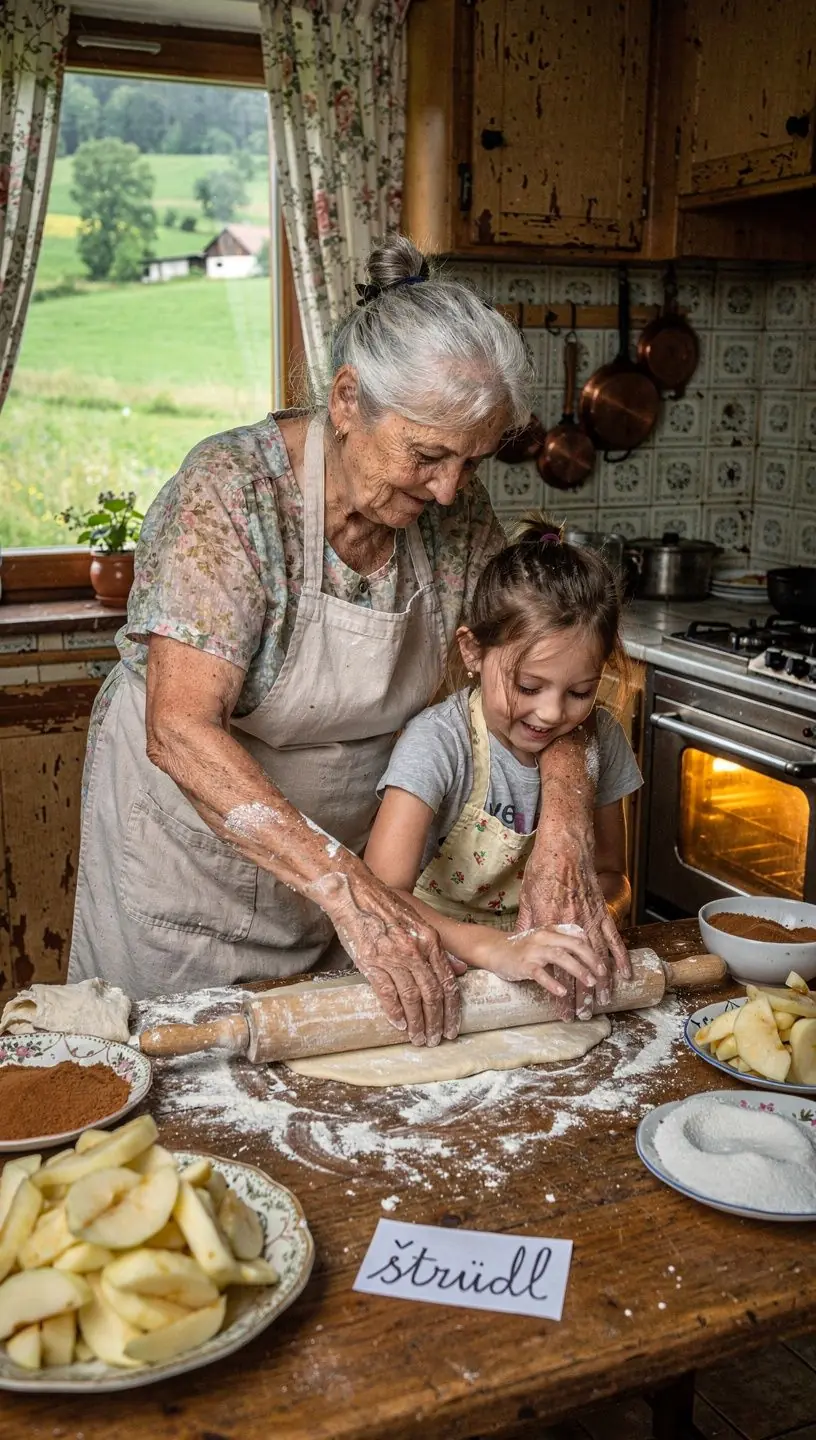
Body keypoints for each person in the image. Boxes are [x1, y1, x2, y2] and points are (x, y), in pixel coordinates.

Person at [68, 235, 620, 1040]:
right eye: (429, 455)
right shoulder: (231, 495)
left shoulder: (456, 512)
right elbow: (179, 729)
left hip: (351, 863)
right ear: (347, 399)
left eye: (471, 462)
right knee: (179, 1075)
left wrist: (565, 821)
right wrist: (349, 890)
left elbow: (535, 663)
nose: (449, 491)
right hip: (192, 864)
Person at [365, 519, 642, 1015]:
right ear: (473, 651)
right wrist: (495, 949)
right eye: (529, 687)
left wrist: (589, 924)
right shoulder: (439, 743)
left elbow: (613, 874)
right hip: (442, 972)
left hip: (547, 982)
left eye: (580, 691)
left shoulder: (604, 741)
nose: (553, 713)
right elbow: (382, 892)